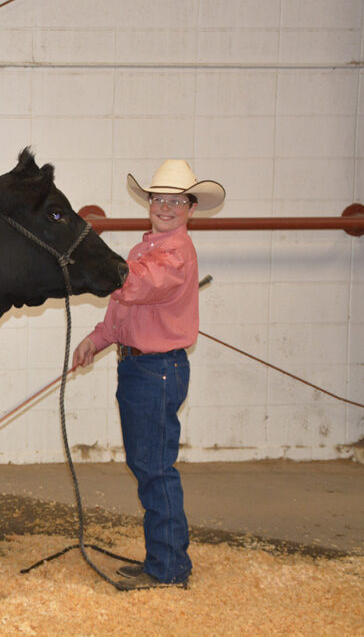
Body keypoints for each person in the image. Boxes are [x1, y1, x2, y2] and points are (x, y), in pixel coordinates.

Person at [72, 160, 224, 589]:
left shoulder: (173, 254)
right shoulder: (144, 250)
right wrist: (97, 340)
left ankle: (170, 569)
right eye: (160, 199)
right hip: (140, 368)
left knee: (155, 469)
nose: (166, 207)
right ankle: (162, 558)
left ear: (191, 208)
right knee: (148, 467)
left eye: (177, 201)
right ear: (150, 203)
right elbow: (123, 309)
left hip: (156, 369)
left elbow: (135, 287)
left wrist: (91, 263)